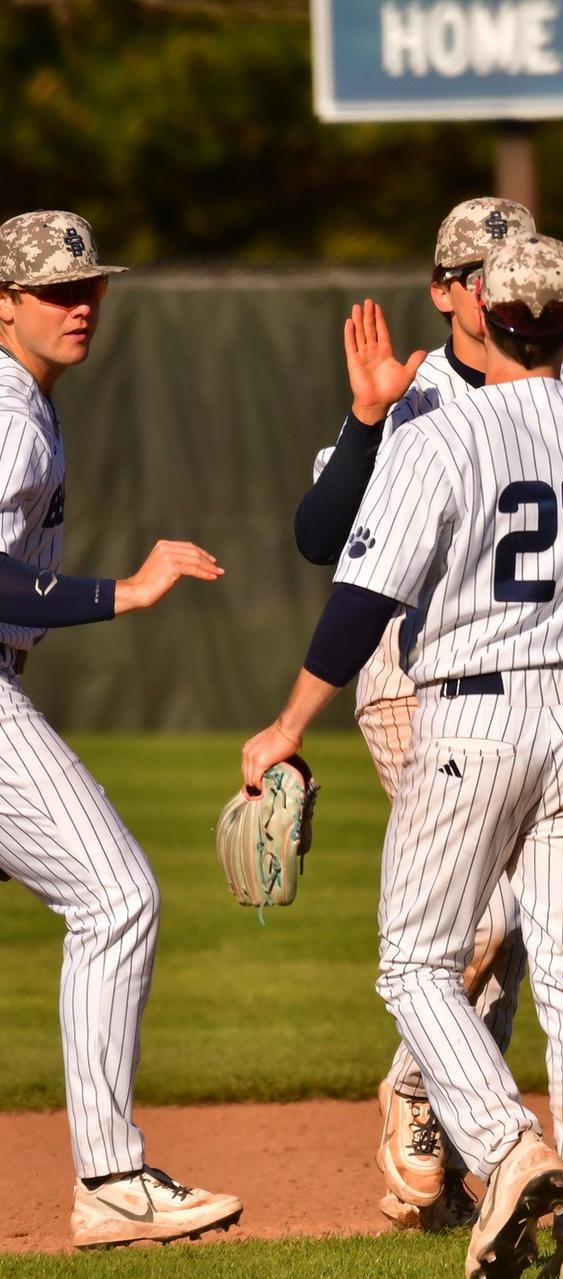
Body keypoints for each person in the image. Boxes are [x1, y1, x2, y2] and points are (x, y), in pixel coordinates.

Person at [244, 236, 563, 1279]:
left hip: (472, 718)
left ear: (485, 315)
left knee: (416, 959)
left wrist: (288, 724)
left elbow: (361, 598)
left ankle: (509, 1148)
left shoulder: (444, 436)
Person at [293, 197, 563, 1229]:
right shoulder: (411, 393)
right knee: (492, 913)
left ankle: (437, 1105)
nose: (494, 282)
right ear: (443, 291)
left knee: (508, 928)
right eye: (477, 267)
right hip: (407, 675)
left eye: (511, 264)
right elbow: (320, 538)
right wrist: (367, 417)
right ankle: (430, 1096)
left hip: (528, 687)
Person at [0, 210, 241, 1248]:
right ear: (4, 301)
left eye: (90, 285)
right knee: (116, 897)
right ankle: (109, 1178)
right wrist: (120, 594)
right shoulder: (9, 410)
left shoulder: (30, 403)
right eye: (57, 290)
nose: (82, 303)